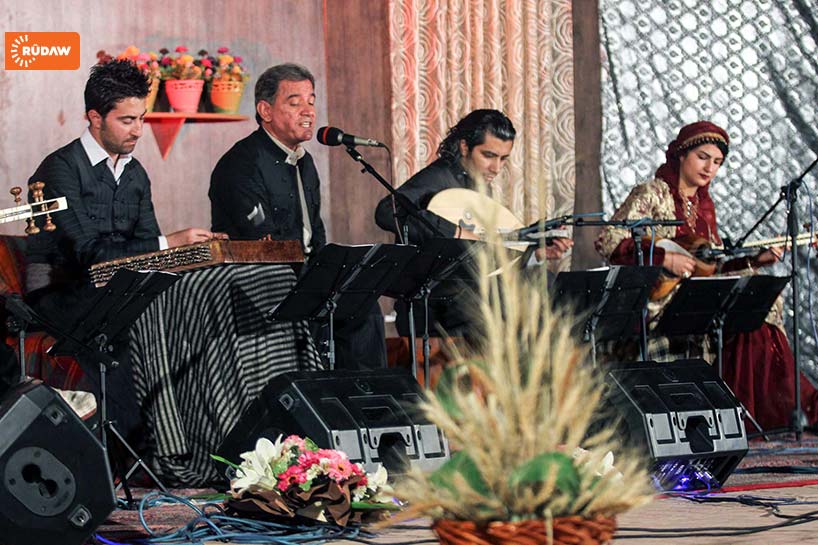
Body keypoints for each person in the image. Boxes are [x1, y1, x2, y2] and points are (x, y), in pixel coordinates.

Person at [25, 59, 224, 435]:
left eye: (142, 118)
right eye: (127, 120)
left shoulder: (135, 173)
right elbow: (90, 257)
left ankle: (190, 439)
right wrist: (170, 242)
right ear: (95, 118)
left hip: (117, 290)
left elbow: (151, 255)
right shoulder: (59, 169)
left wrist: (198, 252)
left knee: (196, 307)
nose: (138, 131)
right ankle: (144, 445)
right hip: (62, 293)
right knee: (145, 328)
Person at [594, 120, 817, 429]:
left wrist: (756, 260)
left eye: (717, 162)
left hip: (695, 298)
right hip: (656, 302)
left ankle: (759, 413)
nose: (709, 168)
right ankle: (756, 414)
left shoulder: (704, 208)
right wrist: (665, 258)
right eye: (702, 157)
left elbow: (712, 267)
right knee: (745, 321)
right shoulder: (652, 193)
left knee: (757, 313)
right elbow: (608, 240)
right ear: (681, 154)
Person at [209, 63, 386, 370]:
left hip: (306, 277)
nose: (308, 112)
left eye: (311, 102)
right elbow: (263, 244)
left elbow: (315, 231)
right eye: (295, 103)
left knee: (363, 302)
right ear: (265, 110)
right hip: (261, 282)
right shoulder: (240, 164)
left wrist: (331, 271)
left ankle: (363, 397)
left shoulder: (305, 162)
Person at [373, 109, 572, 335]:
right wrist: (454, 232)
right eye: (488, 155)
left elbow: (488, 254)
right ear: (464, 147)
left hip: (468, 295)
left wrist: (536, 254)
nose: (496, 168)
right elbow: (386, 212)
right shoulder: (438, 176)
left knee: (547, 284)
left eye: (503, 159)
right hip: (435, 305)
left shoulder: (480, 188)